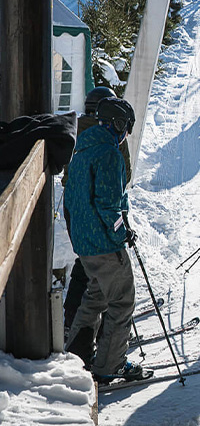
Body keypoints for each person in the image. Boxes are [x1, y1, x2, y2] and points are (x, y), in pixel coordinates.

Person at [63, 97, 143, 382]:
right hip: (106, 245)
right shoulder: (108, 153)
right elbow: (110, 205)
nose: (125, 136)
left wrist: (81, 238)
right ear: (117, 124)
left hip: (85, 244)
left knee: (95, 298)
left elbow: (70, 201)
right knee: (122, 302)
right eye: (125, 128)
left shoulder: (81, 150)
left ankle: (75, 357)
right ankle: (111, 365)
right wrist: (123, 233)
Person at [62, 87, 132, 339]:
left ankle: (72, 320)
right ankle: (106, 336)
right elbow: (123, 175)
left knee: (86, 263)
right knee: (105, 270)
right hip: (101, 213)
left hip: (74, 207)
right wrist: (120, 233)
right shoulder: (110, 136)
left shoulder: (76, 128)